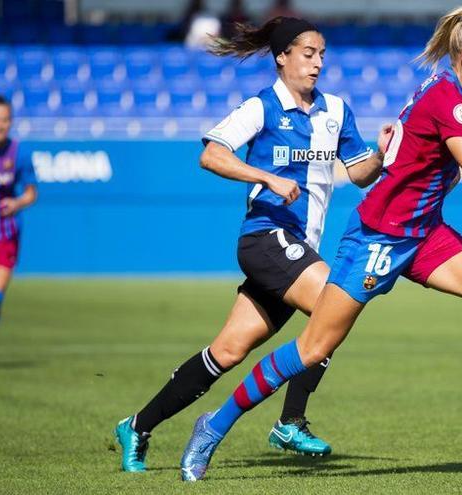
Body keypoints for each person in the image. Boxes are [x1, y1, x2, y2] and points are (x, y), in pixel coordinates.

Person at [179, 6, 462, 482]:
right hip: (378, 236)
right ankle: (212, 427)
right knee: (311, 346)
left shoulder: (461, 91)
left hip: (423, 232)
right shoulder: (451, 99)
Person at [113, 17, 392, 472]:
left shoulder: (336, 110)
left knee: (225, 352)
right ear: (282, 57)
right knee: (335, 304)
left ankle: (137, 425)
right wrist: (265, 176)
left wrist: (380, 155)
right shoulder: (261, 108)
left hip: (297, 249)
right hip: (266, 238)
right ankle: (291, 421)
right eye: (308, 53)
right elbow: (211, 154)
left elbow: (360, 173)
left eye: (322, 54)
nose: (318, 62)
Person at [0, 96, 38, 372]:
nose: (0, 124)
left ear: (10, 121)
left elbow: (31, 192)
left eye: (5, 119)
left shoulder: (19, 153)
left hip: (4, 231)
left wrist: (17, 203)